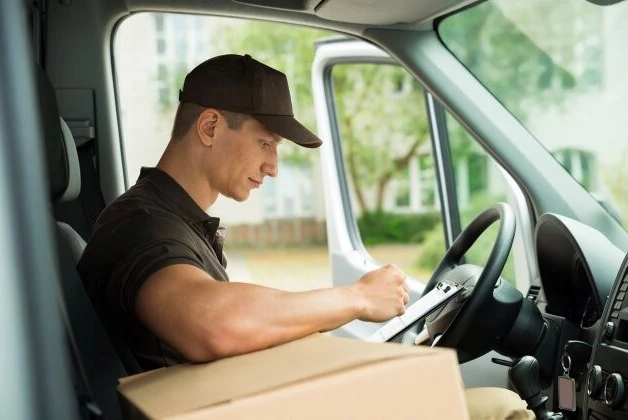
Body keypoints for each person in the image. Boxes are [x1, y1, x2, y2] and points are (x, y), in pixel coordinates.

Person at [77, 54, 409, 371]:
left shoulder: (176, 221)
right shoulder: (140, 225)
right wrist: (359, 297)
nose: (274, 167)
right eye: (265, 143)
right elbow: (214, 323)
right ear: (209, 127)